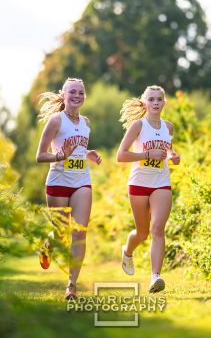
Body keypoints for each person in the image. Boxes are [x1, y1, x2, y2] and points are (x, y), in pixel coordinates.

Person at [35, 77, 102, 300]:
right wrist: (59, 156)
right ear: (63, 95)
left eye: (81, 92)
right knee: (61, 234)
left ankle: (71, 285)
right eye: (72, 92)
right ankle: (47, 245)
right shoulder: (56, 120)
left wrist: (88, 153)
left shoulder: (86, 122)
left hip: (82, 181)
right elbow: (40, 155)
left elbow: (78, 148)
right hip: (58, 181)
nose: (77, 96)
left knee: (79, 233)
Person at [116, 85, 180, 293]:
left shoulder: (168, 127)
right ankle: (127, 250)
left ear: (164, 102)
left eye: (159, 99)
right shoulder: (138, 126)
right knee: (142, 233)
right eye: (151, 99)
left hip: (161, 182)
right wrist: (147, 155)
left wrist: (173, 156)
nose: (155, 103)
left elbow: (168, 149)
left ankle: (155, 277)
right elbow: (121, 156)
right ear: (144, 103)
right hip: (138, 184)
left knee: (157, 228)